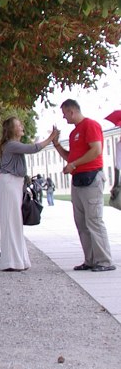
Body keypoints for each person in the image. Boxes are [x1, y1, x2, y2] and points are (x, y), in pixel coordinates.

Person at [53, 99, 115, 272]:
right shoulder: (74, 134)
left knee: (94, 220)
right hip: (78, 179)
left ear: (71, 111)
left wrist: (74, 165)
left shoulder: (90, 125)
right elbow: (70, 157)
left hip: (92, 177)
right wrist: (57, 145)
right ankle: (90, 259)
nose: (63, 117)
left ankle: (104, 260)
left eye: (64, 113)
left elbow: (96, 150)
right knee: (81, 222)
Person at [0, 117, 58, 271]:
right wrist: (51, 138)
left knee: (15, 221)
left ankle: (18, 259)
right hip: (10, 182)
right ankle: (12, 260)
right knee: (12, 221)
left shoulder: (11, 145)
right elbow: (34, 148)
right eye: (19, 125)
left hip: (14, 182)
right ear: (12, 129)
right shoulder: (11, 145)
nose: (22, 127)